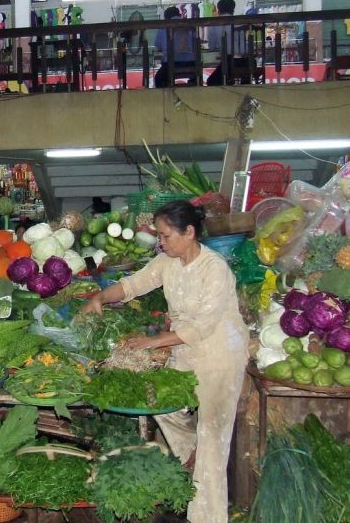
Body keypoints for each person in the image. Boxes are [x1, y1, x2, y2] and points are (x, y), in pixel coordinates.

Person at [81, 200, 248, 523]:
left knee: (213, 435)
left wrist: (152, 342)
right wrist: (100, 296)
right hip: (183, 350)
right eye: (158, 235)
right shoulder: (167, 262)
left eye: (166, 236)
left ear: (189, 232)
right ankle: (191, 456)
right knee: (163, 405)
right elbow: (133, 285)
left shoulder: (214, 269)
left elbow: (202, 326)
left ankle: (208, 516)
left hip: (220, 353)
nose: (161, 242)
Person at [206, 0, 249, 86]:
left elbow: (212, 46)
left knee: (211, 81)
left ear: (218, 10)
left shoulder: (213, 23)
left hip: (229, 62)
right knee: (245, 75)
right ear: (233, 9)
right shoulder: (241, 22)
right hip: (248, 61)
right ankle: (246, 88)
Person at [154, 6, 196, 88]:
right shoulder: (190, 26)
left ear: (166, 17)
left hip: (170, 64)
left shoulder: (163, 26)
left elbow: (158, 46)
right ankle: (194, 88)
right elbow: (196, 43)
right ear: (179, 14)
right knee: (196, 78)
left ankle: (167, 95)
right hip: (191, 63)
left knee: (158, 79)